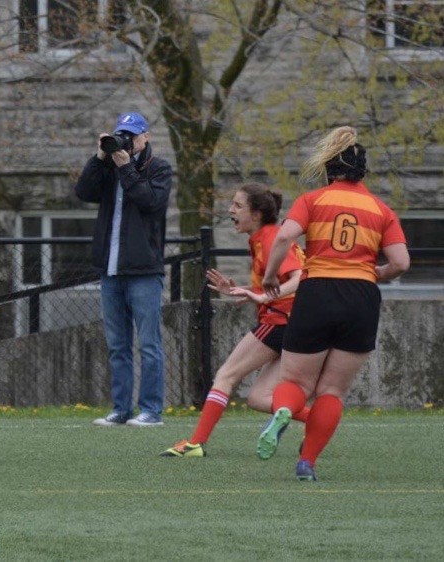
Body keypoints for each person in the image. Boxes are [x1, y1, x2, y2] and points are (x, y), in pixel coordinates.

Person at [256, 127, 409, 481]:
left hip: (318, 291)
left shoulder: (313, 200)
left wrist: (270, 277)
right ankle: (307, 462)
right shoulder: (381, 209)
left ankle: (282, 410)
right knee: (333, 390)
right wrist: (374, 273)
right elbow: (401, 262)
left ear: (329, 168)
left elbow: (284, 237)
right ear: (362, 172)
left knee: (295, 382)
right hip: (361, 298)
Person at [161, 183, 306, 457]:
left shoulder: (271, 237)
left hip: (280, 322)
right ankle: (317, 421)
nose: (231, 210)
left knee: (226, 376)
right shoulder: (265, 237)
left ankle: (196, 443)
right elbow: (280, 284)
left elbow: (299, 279)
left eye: (238, 206)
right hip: (293, 323)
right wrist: (249, 292)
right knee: (259, 398)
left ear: (257, 213)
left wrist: (263, 299)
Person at [75, 112, 172, 427]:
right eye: (121, 135)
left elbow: (150, 202)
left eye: (131, 136)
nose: (126, 141)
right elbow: (84, 193)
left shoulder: (158, 168)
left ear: (145, 137)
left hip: (144, 271)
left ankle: (151, 411)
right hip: (111, 271)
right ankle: (120, 409)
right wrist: (99, 157)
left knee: (148, 344)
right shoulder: (109, 167)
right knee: (117, 345)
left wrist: (126, 167)